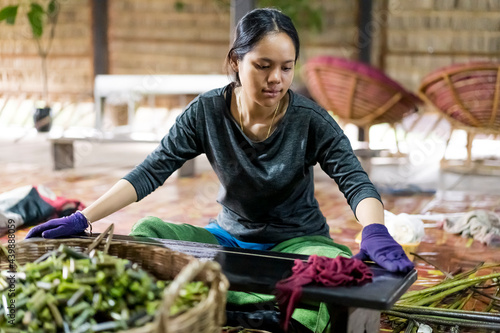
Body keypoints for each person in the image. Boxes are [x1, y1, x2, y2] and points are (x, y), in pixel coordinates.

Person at [27, 7, 413, 332]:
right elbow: (151, 171)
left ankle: (234, 306)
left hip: (296, 243)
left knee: (326, 269)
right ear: (236, 62)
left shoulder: (310, 120)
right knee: (147, 236)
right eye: (263, 66)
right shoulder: (207, 112)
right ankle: (260, 310)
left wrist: (375, 229)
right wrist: (82, 217)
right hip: (227, 238)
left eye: (286, 67)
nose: (275, 79)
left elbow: (355, 180)